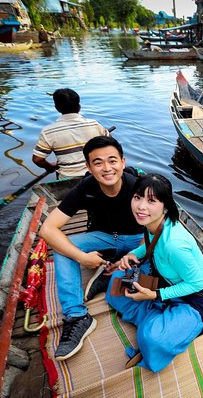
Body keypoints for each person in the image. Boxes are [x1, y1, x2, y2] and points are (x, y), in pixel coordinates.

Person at [39, 135, 145, 360]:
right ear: (88, 166)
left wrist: (136, 254)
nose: (107, 168)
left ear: (123, 162)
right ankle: (77, 315)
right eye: (98, 163)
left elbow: (159, 228)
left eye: (112, 161)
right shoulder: (85, 187)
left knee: (158, 263)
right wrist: (82, 257)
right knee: (62, 246)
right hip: (106, 239)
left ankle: (113, 273)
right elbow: (47, 230)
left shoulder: (139, 187)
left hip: (138, 241)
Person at [106, 174, 203, 372]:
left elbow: (196, 285)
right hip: (165, 285)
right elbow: (149, 247)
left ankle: (155, 319)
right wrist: (132, 254)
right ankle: (157, 316)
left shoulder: (175, 244)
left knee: (152, 339)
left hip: (195, 301)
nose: (141, 206)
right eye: (137, 197)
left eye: (151, 201)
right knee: (117, 284)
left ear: (165, 206)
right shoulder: (153, 224)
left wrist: (154, 295)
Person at [32, 88, 110, 179]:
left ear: (57, 108)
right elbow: (112, 146)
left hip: (67, 178)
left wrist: (50, 167)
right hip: (95, 175)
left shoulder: (48, 131)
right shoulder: (94, 124)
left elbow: (38, 159)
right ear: (79, 107)